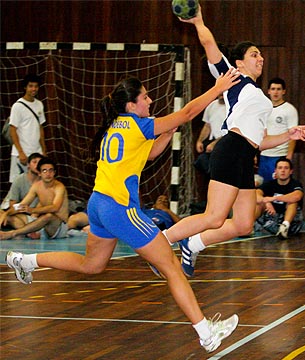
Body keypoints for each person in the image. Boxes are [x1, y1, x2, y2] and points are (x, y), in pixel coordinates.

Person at [5, 71, 241, 353]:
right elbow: (189, 111)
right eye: (145, 97)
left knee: (91, 265)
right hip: (119, 209)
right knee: (171, 267)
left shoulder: (115, 126)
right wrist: (218, 87)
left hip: (98, 204)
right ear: (131, 104)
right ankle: (206, 333)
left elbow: (149, 154)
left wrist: (168, 132)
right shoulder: (140, 124)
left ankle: (25, 261)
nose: (150, 100)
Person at [160, 6, 305, 278]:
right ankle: (160, 243)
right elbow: (208, 44)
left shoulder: (260, 98)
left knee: (243, 224)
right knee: (214, 216)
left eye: (261, 54)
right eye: (254, 54)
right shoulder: (235, 80)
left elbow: (260, 141)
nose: (260, 57)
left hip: (245, 155)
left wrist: (288, 136)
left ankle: (193, 243)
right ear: (239, 63)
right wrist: (198, 22)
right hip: (230, 150)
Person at [0, 157, 69, 240]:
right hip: (43, 225)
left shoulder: (59, 187)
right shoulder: (36, 186)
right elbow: (22, 205)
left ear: (54, 173)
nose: (48, 173)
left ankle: (13, 233)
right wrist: (6, 213)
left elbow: (55, 208)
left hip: (58, 228)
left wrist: (32, 210)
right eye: (44, 170)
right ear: (39, 173)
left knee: (49, 216)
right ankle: (30, 232)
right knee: (6, 215)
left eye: (51, 170)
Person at [257, 77, 299, 182]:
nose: (275, 92)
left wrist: (288, 156)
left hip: (279, 156)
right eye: (273, 89)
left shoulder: (289, 110)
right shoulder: (264, 109)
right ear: (268, 91)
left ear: (283, 91)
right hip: (264, 155)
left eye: (279, 89)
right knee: (262, 186)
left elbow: (293, 135)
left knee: (276, 186)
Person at [9, 74, 47, 183]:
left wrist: (43, 150)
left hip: (36, 152)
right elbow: (13, 130)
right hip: (21, 153)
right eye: (30, 86)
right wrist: (21, 152)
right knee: (18, 183)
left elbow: (40, 128)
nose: (33, 89)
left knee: (38, 182)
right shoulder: (17, 106)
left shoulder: (39, 104)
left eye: (36, 86)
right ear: (25, 87)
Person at [254, 157, 304, 239]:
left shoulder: (295, 184)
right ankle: (248, 226)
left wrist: (274, 198)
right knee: (259, 203)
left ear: (291, 171)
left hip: (291, 224)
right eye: (280, 168)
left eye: (286, 168)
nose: (283, 170)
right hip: (272, 219)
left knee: (292, 202)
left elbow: (297, 196)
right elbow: (256, 194)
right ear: (275, 171)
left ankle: (284, 227)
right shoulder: (269, 184)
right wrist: (266, 202)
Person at [0, 153, 44, 237]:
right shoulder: (19, 180)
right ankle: (27, 231)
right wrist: (6, 214)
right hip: (17, 211)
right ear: (28, 165)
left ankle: (26, 230)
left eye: (40, 163)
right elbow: (13, 205)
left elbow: (38, 210)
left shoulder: (45, 182)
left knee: (15, 219)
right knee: (10, 217)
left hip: (34, 215)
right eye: (34, 162)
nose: (37, 165)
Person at [194, 94, 226, 177]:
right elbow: (207, 125)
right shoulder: (212, 105)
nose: (221, 95)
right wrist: (199, 141)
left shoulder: (234, 107)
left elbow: (232, 131)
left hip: (227, 144)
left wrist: (215, 144)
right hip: (212, 143)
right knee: (201, 161)